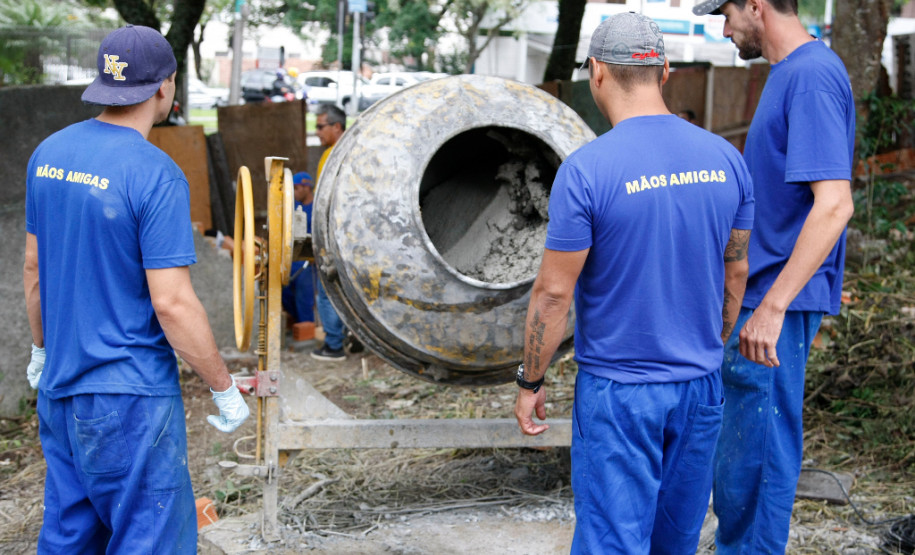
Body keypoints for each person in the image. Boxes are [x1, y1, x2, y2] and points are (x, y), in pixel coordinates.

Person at [513, 12, 755, 553]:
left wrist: (531, 380)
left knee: (612, 542)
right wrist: (708, 345)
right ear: (664, 71)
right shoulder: (727, 160)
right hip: (700, 388)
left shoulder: (587, 171)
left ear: (597, 71)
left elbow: (553, 293)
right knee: (677, 540)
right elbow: (735, 270)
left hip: (620, 394)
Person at [23, 25, 249, 552]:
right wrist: (222, 387)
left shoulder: (48, 154)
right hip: (130, 400)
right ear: (165, 87)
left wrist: (41, 350)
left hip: (60, 391)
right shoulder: (155, 173)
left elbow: (33, 269)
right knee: (148, 539)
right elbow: (172, 303)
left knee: (70, 536)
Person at [690, 0, 856, 552]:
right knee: (739, 460)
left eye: (726, 13)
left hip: (773, 304)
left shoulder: (810, 77)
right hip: (759, 296)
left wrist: (772, 306)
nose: (724, 28)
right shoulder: (790, 73)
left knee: (758, 460)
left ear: (757, 6)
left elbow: (834, 204)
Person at [311, 104, 353, 361]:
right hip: (350, 236)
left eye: (320, 126)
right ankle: (353, 336)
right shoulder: (356, 149)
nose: (317, 132)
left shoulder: (331, 155)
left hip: (332, 235)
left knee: (327, 291)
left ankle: (334, 346)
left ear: (337, 127)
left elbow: (324, 202)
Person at [282, 171, 316, 325]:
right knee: (283, 289)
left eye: (296, 188)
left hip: (308, 261)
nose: (294, 192)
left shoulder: (316, 208)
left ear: (306, 187)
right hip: (292, 258)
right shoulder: (293, 207)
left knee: (304, 295)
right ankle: (296, 322)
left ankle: (306, 327)